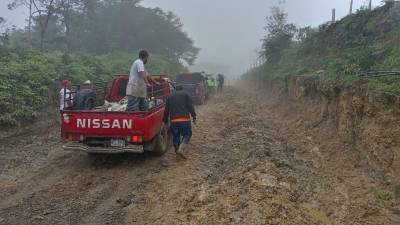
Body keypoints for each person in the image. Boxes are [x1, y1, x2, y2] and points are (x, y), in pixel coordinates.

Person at [163, 85, 197, 159]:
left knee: (175, 136)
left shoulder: (170, 96)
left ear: (175, 89)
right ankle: (181, 149)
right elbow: (190, 107)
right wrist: (194, 116)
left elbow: (166, 110)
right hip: (184, 120)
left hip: (174, 121)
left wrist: (165, 120)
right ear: (182, 89)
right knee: (187, 134)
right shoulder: (185, 94)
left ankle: (177, 155)